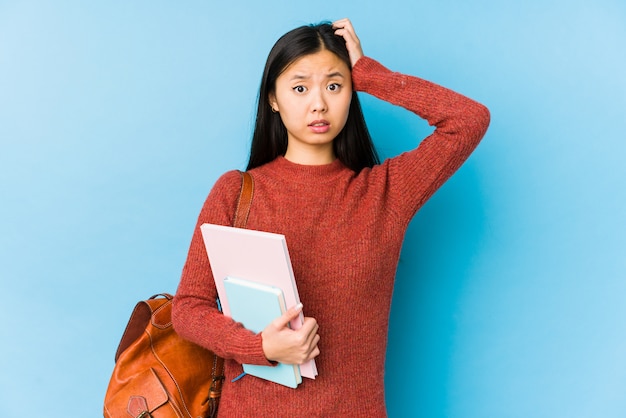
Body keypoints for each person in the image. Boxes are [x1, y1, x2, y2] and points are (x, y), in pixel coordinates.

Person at [172, 18, 490, 417]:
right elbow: (187, 308)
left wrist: (371, 74)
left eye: (335, 85)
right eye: (300, 87)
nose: (318, 102)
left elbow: (468, 120)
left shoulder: (385, 194)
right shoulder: (236, 192)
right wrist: (261, 348)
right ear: (273, 98)